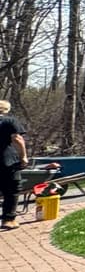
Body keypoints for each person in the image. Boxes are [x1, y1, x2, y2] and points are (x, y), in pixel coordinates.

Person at [0, 98, 27, 230]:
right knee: (11, 190)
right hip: (7, 161)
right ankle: (8, 219)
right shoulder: (9, 121)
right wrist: (24, 157)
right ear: (6, 110)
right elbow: (18, 139)